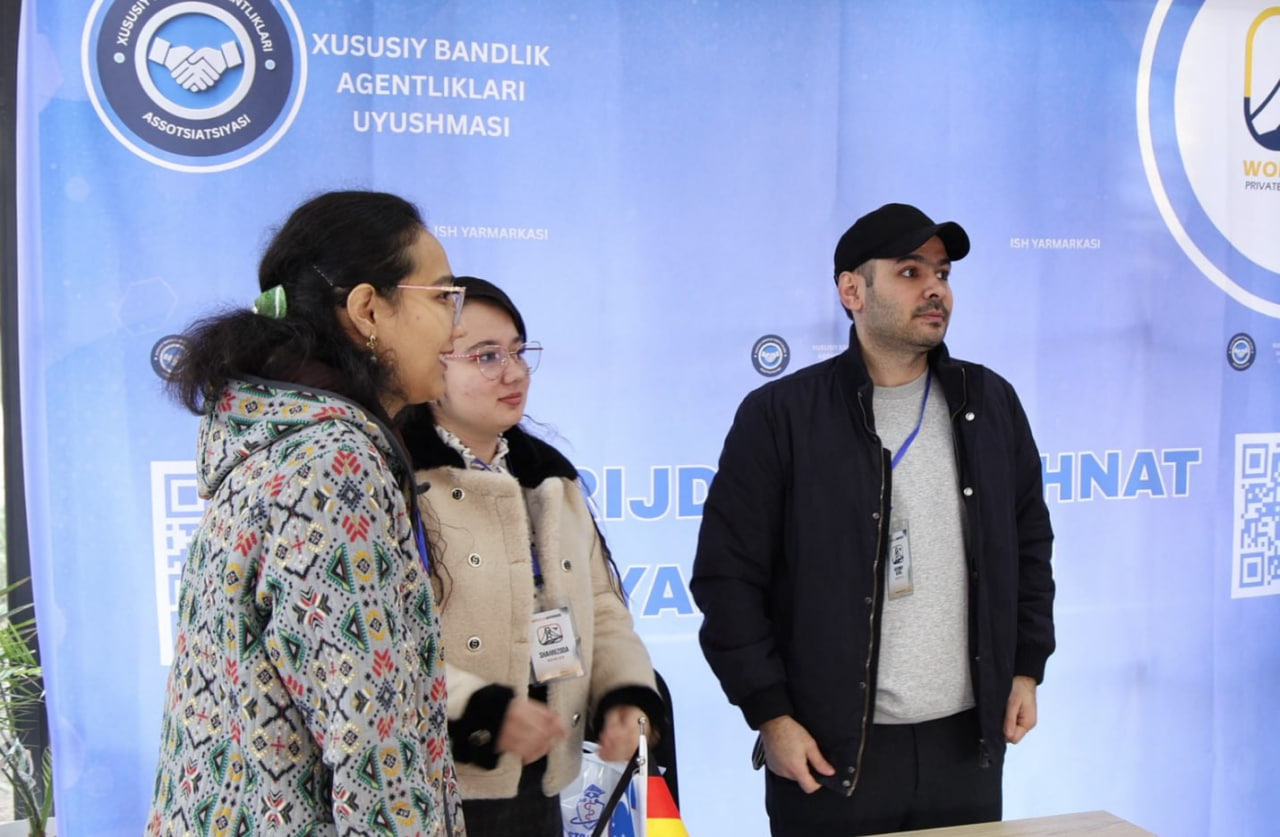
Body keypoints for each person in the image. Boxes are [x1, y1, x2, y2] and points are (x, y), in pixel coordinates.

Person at [690, 203, 1056, 836]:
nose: (936, 288)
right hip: (829, 754)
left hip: (967, 746)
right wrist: (771, 716)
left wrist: (1026, 667)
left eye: (942, 273)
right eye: (910, 272)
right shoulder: (781, 415)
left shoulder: (990, 402)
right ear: (852, 290)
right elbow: (728, 582)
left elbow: (1029, 548)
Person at [147, 191, 468, 836]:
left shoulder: (274, 441)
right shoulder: (334, 464)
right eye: (441, 297)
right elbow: (375, 754)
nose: (455, 326)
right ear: (368, 309)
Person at [401, 277, 664, 837]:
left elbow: (603, 608)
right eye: (486, 356)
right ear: (430, 365)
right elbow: (382, 646)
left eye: (519, 352)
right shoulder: (395, 481)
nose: (514, 372)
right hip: (435, 783)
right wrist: (481, 711)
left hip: (542, 779)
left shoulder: (551, 478)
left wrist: (625, 696)